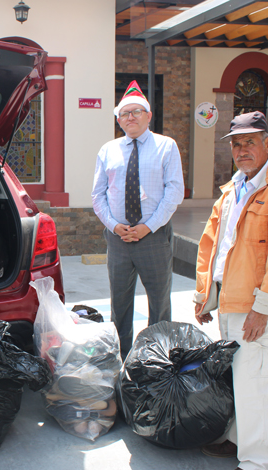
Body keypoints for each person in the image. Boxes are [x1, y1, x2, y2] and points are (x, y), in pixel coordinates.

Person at [194, 111, 268, 470]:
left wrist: (264, 310)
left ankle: (260, 463)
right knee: (238, 379)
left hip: (255, 307)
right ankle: (238, 439)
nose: (243, 150)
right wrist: (205, 294)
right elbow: (213, 244)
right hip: (230, 300)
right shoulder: (235, 188)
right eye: (237, 144)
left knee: (256, 383)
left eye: (250, 142)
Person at [91, 80, 185, 359]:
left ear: (148, 115)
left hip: (154, 237)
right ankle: (121, 358)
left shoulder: (166, 146)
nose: (130, 117)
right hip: (118, 238)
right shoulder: (108, 150)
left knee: (159, 302)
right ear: (119, 119)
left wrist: (147, 227)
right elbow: (98, 195)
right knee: (119, 303)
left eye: (136, 112)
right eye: (124, 114)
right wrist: (114, 225)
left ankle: (156, 358)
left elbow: (175, 190)